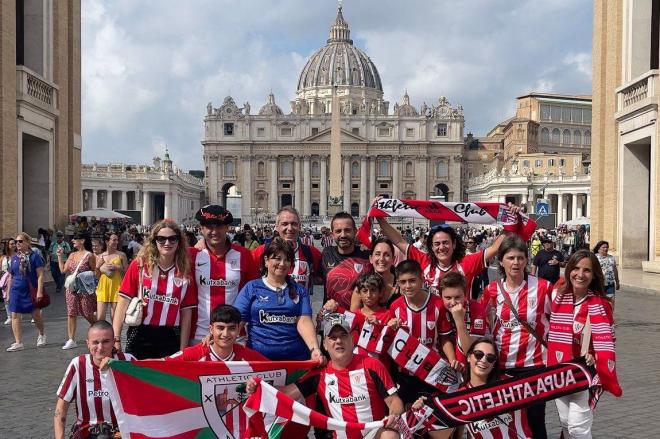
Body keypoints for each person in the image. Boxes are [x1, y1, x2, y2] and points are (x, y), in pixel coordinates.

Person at [245, 313, 405, 439]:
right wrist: (258, 386)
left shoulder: (371, 364)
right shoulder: (319, 374)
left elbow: (394, 401)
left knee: (390, 435)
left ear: (352, 340)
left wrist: (394, 416)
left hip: (372, 433)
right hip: (339, 436)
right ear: (325, 345)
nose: (338, 341)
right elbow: (284, 394)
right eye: (332, 337)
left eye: (343, 335)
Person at [479, 235, 553, 439]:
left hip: (535, 365)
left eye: (521, 257)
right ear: (501, 261)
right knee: (507, 422)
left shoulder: (543, 287)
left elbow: (559, 320)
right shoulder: (491, 290)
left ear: (527, 260)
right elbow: (483, 324)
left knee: (535, 420)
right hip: (504, 366)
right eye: (510, 258)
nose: (516, 262)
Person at [548, 250, 620, 439]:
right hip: (559, 371)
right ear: (569, 269)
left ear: (594, 274)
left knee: (578, 428)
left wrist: (595, 355)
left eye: (587, 270)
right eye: (576, 268)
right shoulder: (555, 295)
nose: (580, 274)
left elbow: (608, 342)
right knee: (565, 423)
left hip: (585, 373)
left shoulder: (601, 305)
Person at [376, 203, 519, 294]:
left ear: (454, 244)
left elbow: (494, 248)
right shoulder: (424, 260)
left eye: (445, 243)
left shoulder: (466, 263)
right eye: (437, 244)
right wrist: (380, 218)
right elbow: (399, 241)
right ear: (431, 247)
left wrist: (510, 221)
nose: (441, 247)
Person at [415, 337, 532, 439]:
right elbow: (442, 436)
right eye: (478, 355)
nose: (483, 360)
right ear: (468, 357)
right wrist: (426, 411)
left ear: (494, 364)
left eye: (490, 358)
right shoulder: (460, 396)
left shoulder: (511, 383)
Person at [112, 220, 197, 359]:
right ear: (154, 241)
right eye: (161, 239)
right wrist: (116, 339)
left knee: (166, 379)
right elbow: (122, 302)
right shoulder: (139, 266)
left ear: (179, 242)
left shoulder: (185, 272)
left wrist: (183, 349)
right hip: (140, 333)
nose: (167, 243)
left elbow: (186, 312)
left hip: (171, 335)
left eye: (172, 238)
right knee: (138, 378)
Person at [234, 238, 322, 361]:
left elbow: (304, 322)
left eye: (287, 260)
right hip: (259, 360)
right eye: (277, 258)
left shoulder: (300, 290)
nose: (282, 263)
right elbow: (236, 321)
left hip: (295, 360)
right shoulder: (251, 287)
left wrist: (314, 349)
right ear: (266, 261)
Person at [54, 320, 135, 439]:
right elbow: (61, 407)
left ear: (114, 342)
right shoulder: (78, 365)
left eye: (106, 341)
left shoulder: (128, 362)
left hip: (122, 432)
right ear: (88, 343)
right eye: (95, 342)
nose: (100, 347)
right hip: (87, 432)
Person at [189, 205, 258, 344]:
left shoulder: (244, 255)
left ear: (227, 228)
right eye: (209, 227)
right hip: (200, 334)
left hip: (235, 335)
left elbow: (254, 294)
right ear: (201, 229)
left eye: (219, 226)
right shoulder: (192, 255)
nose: (215, 231)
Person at [387, 260, 448, 406]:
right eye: (403, 282)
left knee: (430, 415)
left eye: (412, 281)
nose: (407, 286)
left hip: (431, 372)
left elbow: (445, 338)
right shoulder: (395, 307)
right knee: (408, 417)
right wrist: (390, 329)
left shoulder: (438, 304)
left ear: (421, 279)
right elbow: (390, 342)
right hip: (405, 374)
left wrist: (452, 361)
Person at [252, 206, 322, 295]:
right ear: (276, 227)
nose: (290, 228)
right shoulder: (260, 252)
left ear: (299, 226)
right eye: (285, 224)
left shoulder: (312, 253)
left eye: (294, 224)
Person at [167, 304, 267, 361]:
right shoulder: (193, 355)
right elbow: (158, 365)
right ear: (211, 329)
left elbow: (277, 369)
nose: (225, 334)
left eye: (231, 328)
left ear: (238, 330)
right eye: (220, 328)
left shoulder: (251, 358)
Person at [5, 232, 47, 351]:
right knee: (14, 315)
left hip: (30, 289)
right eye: (16, 242)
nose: (17, 244)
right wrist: (8, 292)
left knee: (35, 315)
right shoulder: (14, 258)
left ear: (27, 243)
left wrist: (39, 291)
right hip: (16, 290)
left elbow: (40, 274)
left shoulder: (34, 256)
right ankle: (18, 342)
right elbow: (11, 276)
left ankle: (42, 334)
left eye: (20, 241)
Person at [320, 212, 371, 309]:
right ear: (332, 234)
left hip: (358, 317)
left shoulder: (366, 256)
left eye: (347, 230)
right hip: (331, 317)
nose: (343, 235)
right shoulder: (326, 253)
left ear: (355, 231)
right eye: (338, 231)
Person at [438, 272, 488, 367]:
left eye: (457, 297)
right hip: (445, 364)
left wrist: (459, 320)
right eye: (448, 298)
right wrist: (453, 361)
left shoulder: (477, 309)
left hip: (471, 365)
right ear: (441, 297)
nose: (452, 302)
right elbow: (444, 338)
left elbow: (471, 351)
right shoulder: (439, 308)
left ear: (465, 295)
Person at [58, 232, 97, 350]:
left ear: (83, 240)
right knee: (71, 312)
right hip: (72, 288)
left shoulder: (89, 255)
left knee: (87, 312)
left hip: (84, 288)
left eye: (75, 239)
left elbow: (95, 272)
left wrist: (86, 276)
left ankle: (100, 328)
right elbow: (63, 270)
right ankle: (71, 339)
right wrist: (59, 256)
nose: (73, 241)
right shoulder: (72, 255)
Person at [350, 237, 398, 310]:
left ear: (393, 259)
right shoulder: (362, 286)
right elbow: (353, 317)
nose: (381, 259)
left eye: (387, 255)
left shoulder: (402, 284)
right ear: (371, 259)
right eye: (377, 254)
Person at [95, 232, 128, 322]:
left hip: (117, 287)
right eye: (114, 240)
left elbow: (127, 273)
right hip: (103, 287)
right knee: (100, 317)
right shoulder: (100, 256)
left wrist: (118, 267)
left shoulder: (121, 255)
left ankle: (115, 336)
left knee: (115, 317)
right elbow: (97, 276)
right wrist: (97, 267)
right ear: (107, 241)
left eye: (117, 240)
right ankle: (101, 335)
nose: (116, 242)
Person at [593, 241, 620, 305]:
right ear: (598, 249)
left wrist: (617, 281)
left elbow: (615, 270)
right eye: (603, 247)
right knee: (599, 302)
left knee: (610, 302)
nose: (606, 249)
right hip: (598, 284)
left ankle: (610, 314)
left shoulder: (611, 258)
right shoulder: (594, 258)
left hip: (610, 284)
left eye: (607, 247)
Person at [1, 238, 17, 325]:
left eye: (14, 243)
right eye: (11, 244)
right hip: (5, 280)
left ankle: (17, 314)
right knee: (5, 297)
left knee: (16, 296)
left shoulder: (18, 255)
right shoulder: (3, 257)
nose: (13, 245)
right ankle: (9, 316)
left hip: (15, 278)